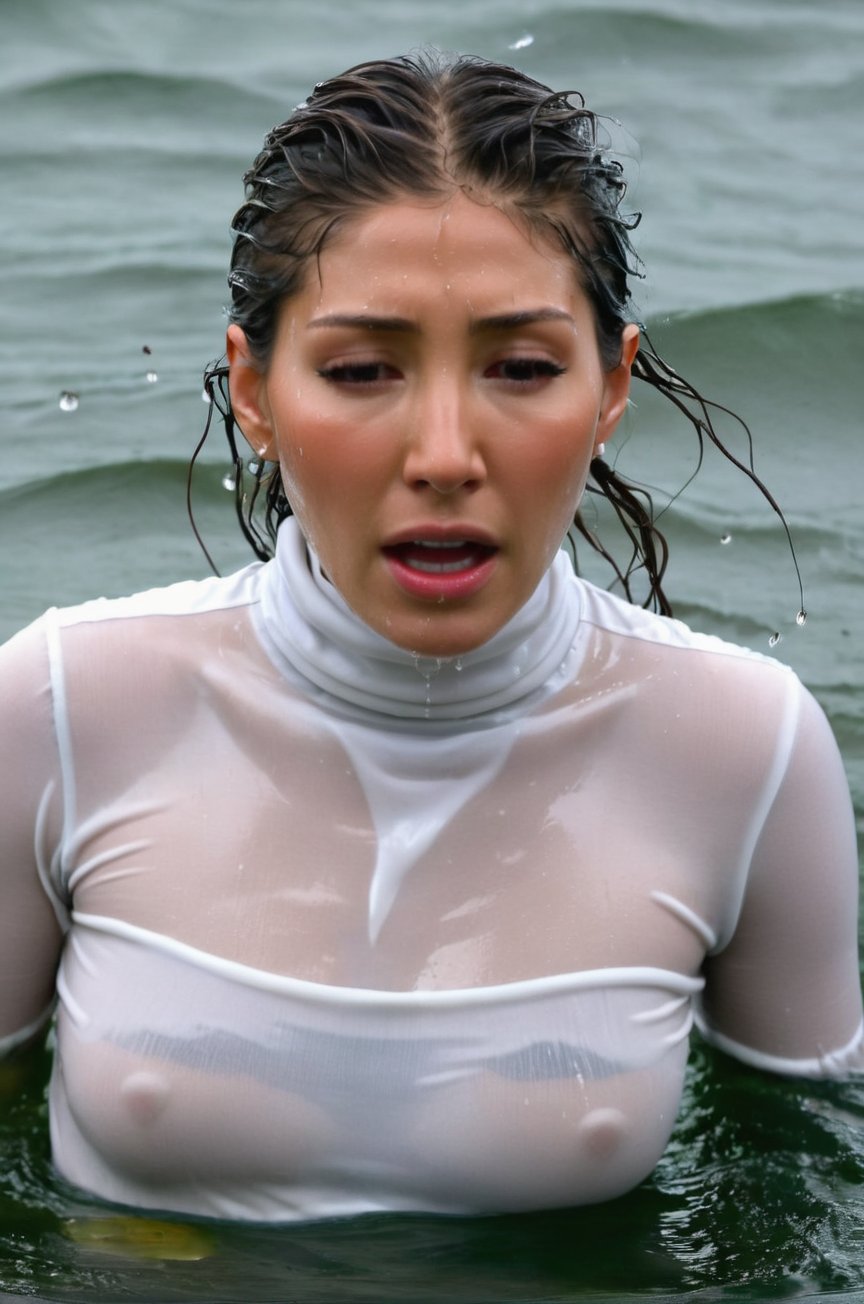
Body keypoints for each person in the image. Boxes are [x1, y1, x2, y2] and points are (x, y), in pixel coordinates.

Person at [0, 51, 861, 1224]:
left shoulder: (746, 750)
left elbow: (805, 1194)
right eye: (361, 370)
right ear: (253, 391)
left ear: (612, 385)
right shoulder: (57, 706)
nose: (447, 452)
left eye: (521, 367)